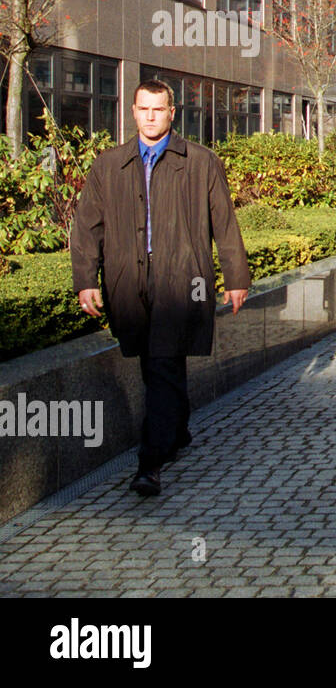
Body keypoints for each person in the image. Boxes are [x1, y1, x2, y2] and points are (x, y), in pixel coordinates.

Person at [71, 79, 251, 497]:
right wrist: (86, 281)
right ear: (132, 112)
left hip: (183, 281)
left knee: (162, 363)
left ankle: (149, 463)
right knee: (157, 365)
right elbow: (87, 228)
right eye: (143, 109)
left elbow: (224, 223)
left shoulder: (201, 162)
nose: (151, 117)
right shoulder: (108, 165)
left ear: (173, 113)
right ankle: (178, 430)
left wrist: (235, 278)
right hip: (127, 281)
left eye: (159, 109)